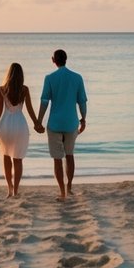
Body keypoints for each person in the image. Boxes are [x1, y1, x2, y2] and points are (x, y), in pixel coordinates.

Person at [37, 49, 87, 199]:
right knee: (70, 155)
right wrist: (83, 119)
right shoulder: (77, 78)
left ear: (53, 60)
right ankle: (69, 186)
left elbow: (44, 101)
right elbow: (82, 102)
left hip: (55, 124)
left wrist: (39, 121)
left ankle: (62, 192)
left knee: (57, 159)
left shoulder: (50, 78)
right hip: (72, 123)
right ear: (66, 59)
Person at [0, 62, 38, 198]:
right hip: (20, 125)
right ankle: (15, 191)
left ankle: (9, 190)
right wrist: (37, 124)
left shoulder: (1, 90)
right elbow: (30, 110)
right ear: (21, 75)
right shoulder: (24, 90)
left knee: (6, 157)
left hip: (6, 125)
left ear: (8, 74)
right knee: (18, 159)